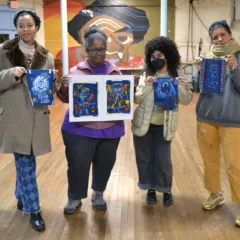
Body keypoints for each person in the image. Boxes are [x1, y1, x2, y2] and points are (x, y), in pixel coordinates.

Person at [57, 26, 124, 214]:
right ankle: (74, 197)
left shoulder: (115, 72)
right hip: (80, 129)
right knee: (78, 165)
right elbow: (65, 98)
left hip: (110, 129)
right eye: (94, 49)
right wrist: (63, 87)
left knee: (105, 164)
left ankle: (98, 193)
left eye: (102, 49)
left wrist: (130, 90)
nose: (99, 53)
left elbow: (121, 99)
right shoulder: (75, 72)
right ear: (86, 50)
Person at [0, 10, 57, 232]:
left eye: (29, 25)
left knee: (26, 160)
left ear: (37, 27)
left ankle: (20, 195)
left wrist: (55, 82)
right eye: (21, 25)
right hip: (14, 116)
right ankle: (33, 209)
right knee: (26, 162)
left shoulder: (46, 55)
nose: (25, 29)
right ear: (16, 28)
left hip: (37, 116)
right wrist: (10, 74)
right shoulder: (4, 52)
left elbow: (48, 88)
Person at [131, 36, 193, 206]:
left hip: (165, 126)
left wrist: (181, 85)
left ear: (168, 55)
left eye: (159, 55)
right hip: (143, 125)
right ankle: (150, 189)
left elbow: (187, 100)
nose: (155, 58)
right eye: (152, 56)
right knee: (144, 159)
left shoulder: (177, 75)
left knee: (163, 160)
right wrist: (146, 85)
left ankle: (166, 189)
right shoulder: (146, 75)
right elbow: (136, 99)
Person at [194, 20, 240, 227]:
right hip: (206, 117)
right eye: (215, 37)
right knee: (210, 161)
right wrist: (199, 71)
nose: (219, 39)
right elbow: (197, 87)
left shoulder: (239, 56)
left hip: (233, 119)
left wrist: (235, 69)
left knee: (235, 166)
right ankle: (216, 193)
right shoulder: (209, 59)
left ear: (230, 35)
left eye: (223, 34)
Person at [56, 0, 150, 68]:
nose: (109, 46)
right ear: (80, 36)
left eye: (122, 38)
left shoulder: (138, 63)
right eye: (96, 38)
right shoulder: (67, 56)